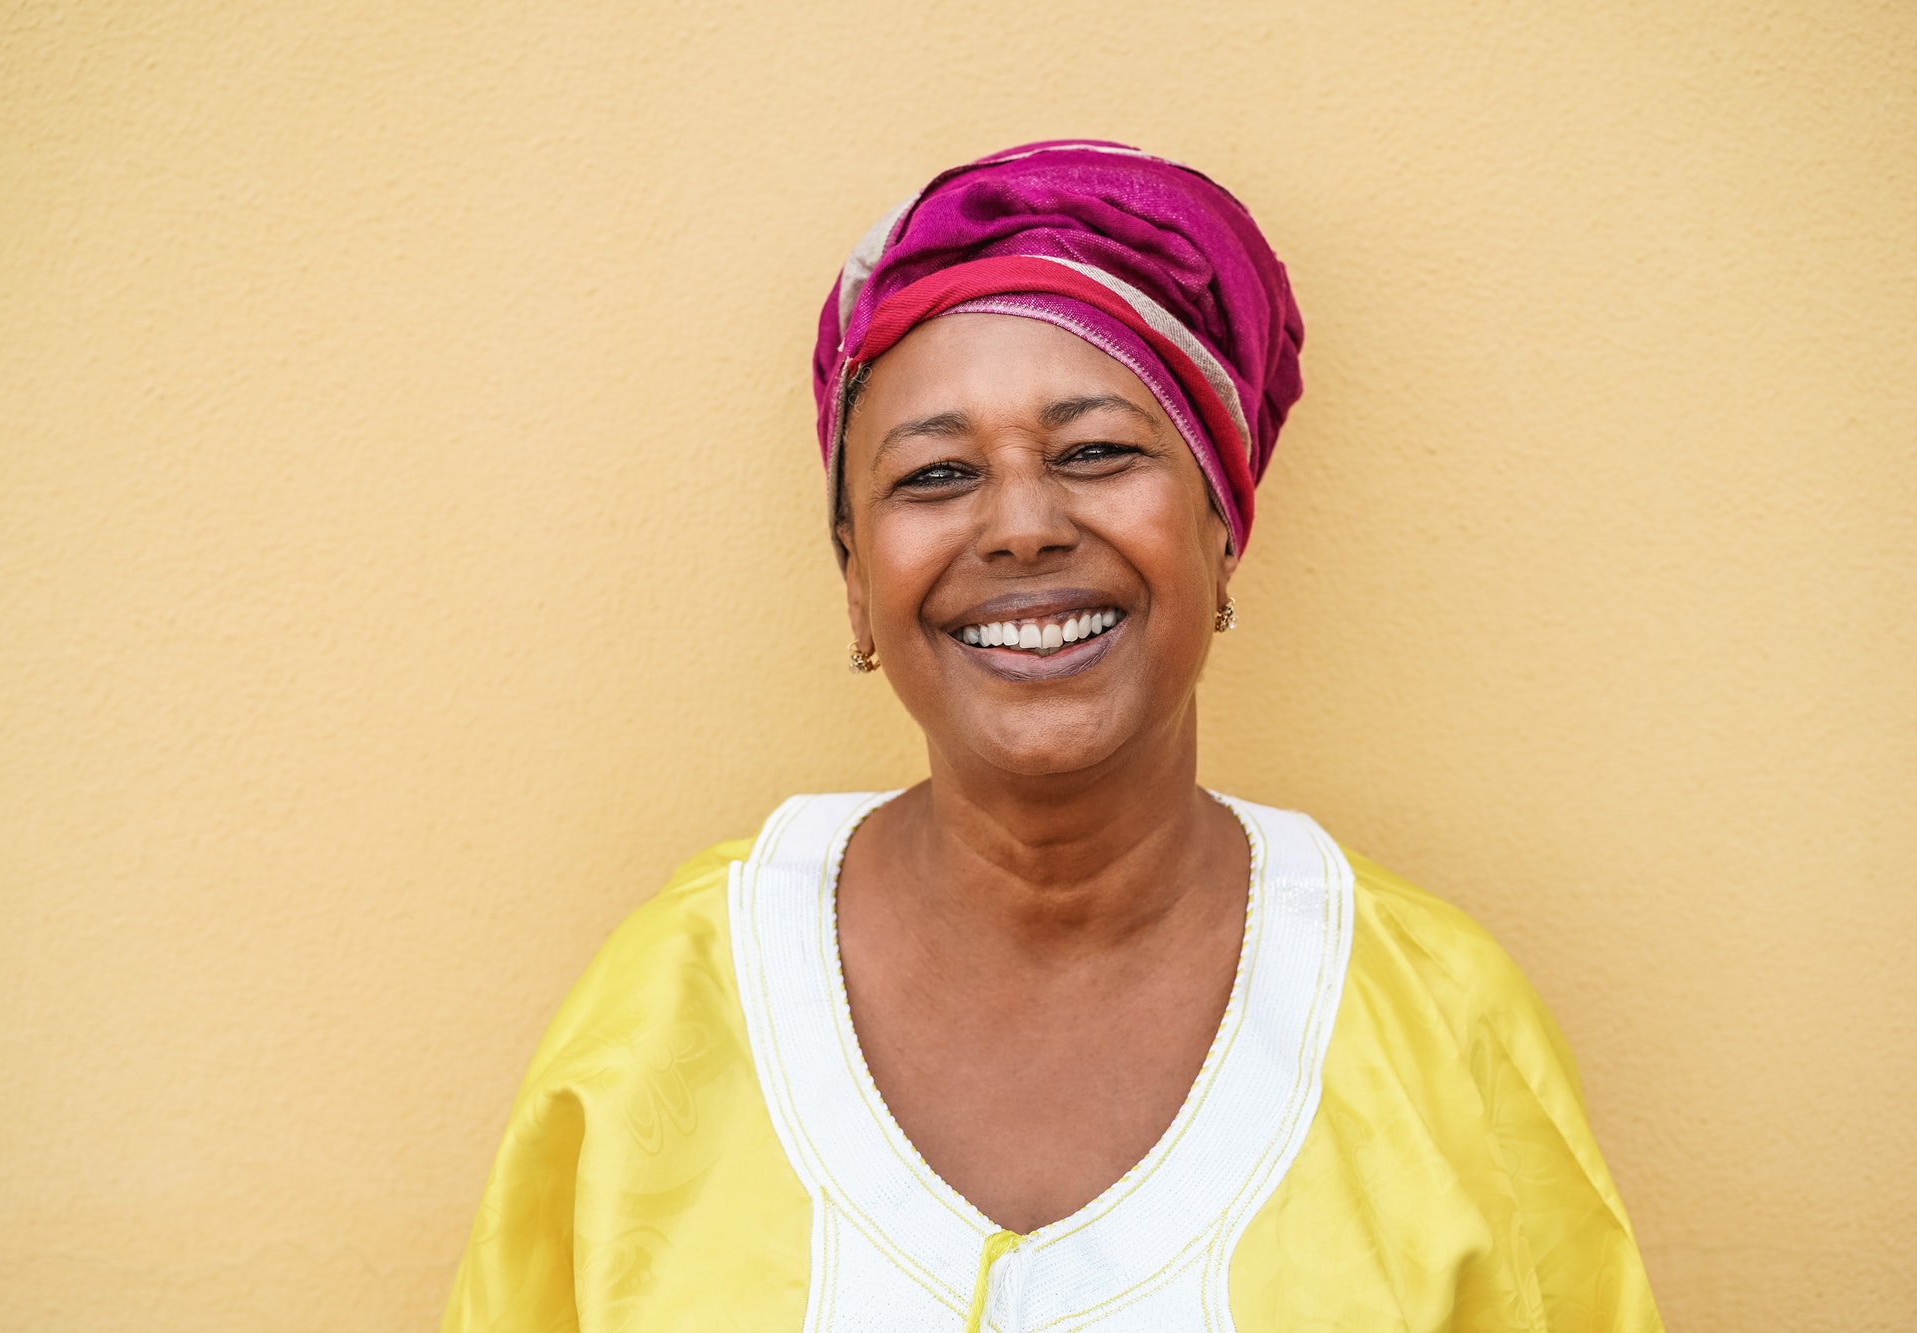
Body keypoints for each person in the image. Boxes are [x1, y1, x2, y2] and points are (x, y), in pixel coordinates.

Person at [441, 141, 1663, 1332]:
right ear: (854, 581)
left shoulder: (1434, 1026)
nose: (1020, 526)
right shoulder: (671, 1005)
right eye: (930, 477)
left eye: (1094, 453)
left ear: (1220, 530)